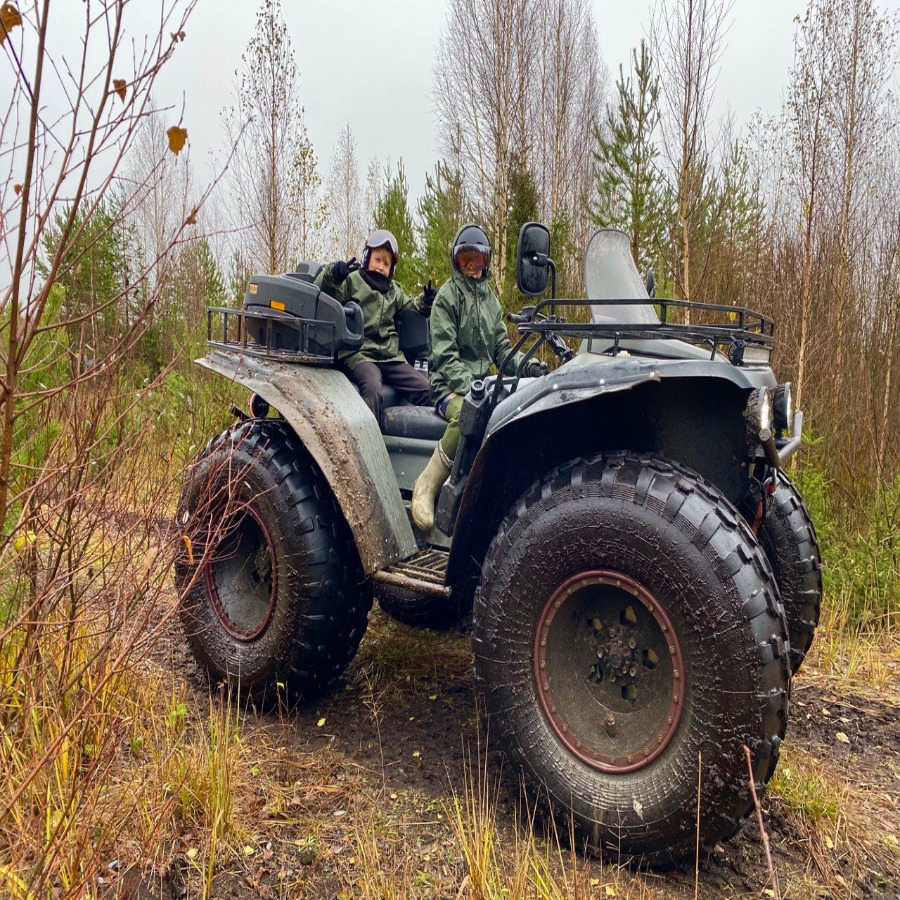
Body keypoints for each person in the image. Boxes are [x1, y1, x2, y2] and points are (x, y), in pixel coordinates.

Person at [411, 224, 543, 531]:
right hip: (449, 389)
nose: (472, 267)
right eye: (466, 260)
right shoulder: (447, 298)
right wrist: (473, 388)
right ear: (456, 262)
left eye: (478, 260)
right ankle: (427, 484)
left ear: (486, 262)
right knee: (467, 417)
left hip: (482, 388)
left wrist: (532, 367)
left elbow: (502, 350)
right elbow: (444, 356)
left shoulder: (491, 301)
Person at [315, 229, 436, 421]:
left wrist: (426, 302)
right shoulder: (352, 280)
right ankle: (369, 445)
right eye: (377, 260)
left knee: (427, 389)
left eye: (386, 264)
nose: (381, 267)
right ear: (366, 258)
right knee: (372, 389)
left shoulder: (394, 291)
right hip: (360, 354)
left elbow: (410, 307)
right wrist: (333, 275)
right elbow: (325, 296)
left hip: (390, 356)